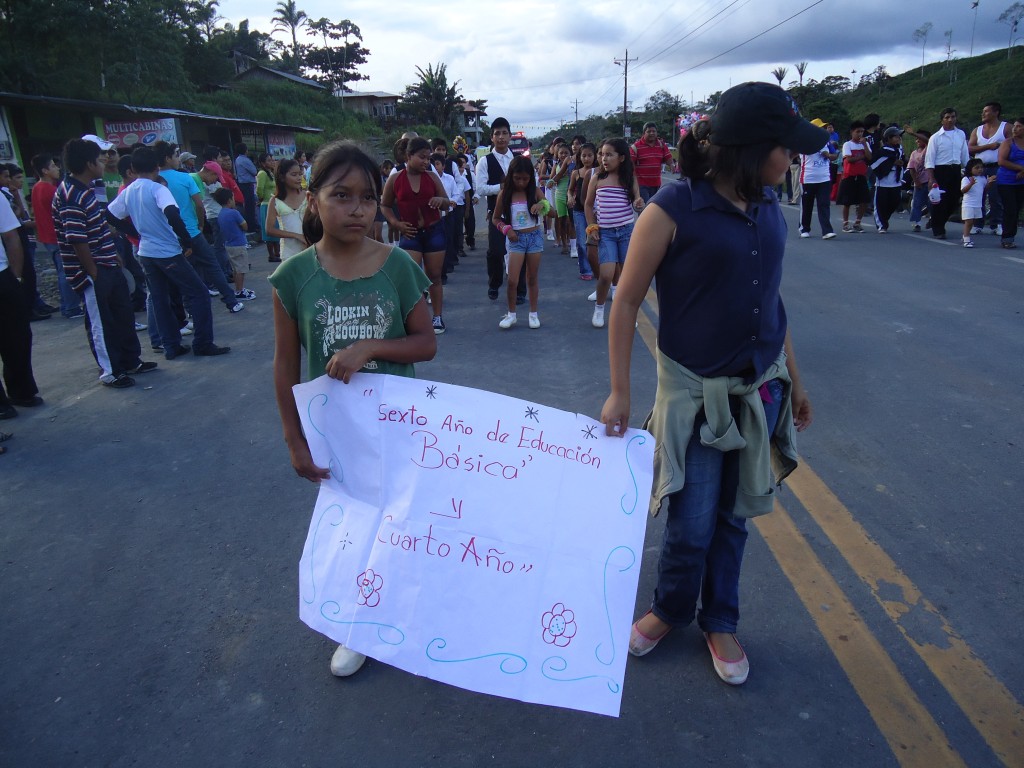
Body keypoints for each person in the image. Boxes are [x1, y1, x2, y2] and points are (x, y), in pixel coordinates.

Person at [600, 81, 816, 687]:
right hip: (694, 396)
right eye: (785, 148)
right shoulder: (672, 208)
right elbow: (626, 305)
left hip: (759, 390)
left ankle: (720, 618)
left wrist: (795, 380)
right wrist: (621, 391)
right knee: (691, 522)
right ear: (751, 148)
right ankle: (671, 607)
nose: (793, 159)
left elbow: (771, 300)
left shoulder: (770, 203)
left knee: (734, 518)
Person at [269, 142, 436, 678]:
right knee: (352, 528)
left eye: (367, 197)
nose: (357, 209)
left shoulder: (399, 267)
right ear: (312, 201)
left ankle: (397, 609)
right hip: (336, 435)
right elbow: (284, 365)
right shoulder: (293, 278)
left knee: (400, 521)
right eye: (341, 196)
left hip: (397, 429)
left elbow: (425, 343)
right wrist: (295, 440)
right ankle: (358, 626)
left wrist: (370, 348)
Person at [106, 145, 229, 360]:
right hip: (167, 250)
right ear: (156, 166)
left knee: (160, 298)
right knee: (199, 293)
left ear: (133, 168)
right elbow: (172, 212)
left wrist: (134, 232)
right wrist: (186, 240)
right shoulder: (158, 189)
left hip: (146, 251)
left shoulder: (130, 190)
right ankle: (202, 342)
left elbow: (110, 215)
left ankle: (170, 346)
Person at [52, 139, 156, 388]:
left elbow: (96, 228)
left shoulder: (86, 189)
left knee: (122, 315)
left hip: (108, 263)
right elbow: (77, 240)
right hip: (92, 271)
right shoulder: (70, 193)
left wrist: (113, 255)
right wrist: (93, 271)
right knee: (101, 322)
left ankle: (131, 360)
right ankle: (111, 371)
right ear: (88, 163)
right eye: (99, 159)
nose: (104, 163)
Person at [155, 142, 243, 313]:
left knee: (181, 274)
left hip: (169, 235)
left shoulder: (155, 181)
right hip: (192, 231)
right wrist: (201, 224)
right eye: (175, 156)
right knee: (212, 265)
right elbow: (199, 205)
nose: (177, 159)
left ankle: (187, 311)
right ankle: (231, 301)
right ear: (167, 158)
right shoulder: (184, 178)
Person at [381, 138, 453, 334]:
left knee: (434, 277)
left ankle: (437, 317)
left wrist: (441, 200)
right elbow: (385, 205)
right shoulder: (395, 179)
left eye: (428, 158)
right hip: (410, 233)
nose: (425, 162)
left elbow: (448, 202)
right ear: (408, 156)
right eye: (421, 157)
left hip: (434, 231)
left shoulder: (432, 176)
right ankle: (415, 320)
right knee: (412, 279)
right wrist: (395, 223)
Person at [585, 138, 643, 329]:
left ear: (622, 158)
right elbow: (587, 204)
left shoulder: (629, 178)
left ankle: (627, 313)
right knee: (606, 275)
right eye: (602, 154)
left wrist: (638, 203)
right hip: (606, 234)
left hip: (626, 232)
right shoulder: (597, 178)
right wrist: (591, 227)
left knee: (627, 276)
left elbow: (637, 200)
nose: (604, 159)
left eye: (609, 155)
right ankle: (599, 308)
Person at [491, 155, 549, 330]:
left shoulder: (534, 191)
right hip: (515, 239)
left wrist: (542, 204)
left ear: (530, 177)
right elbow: (495, 218)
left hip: (534, 238)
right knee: (512, 280)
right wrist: (506, 229)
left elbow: (551, 212)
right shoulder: (505, 194)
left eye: (525, 178)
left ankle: (533, 314)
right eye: (517, 178)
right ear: (511, 176)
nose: (521, 182)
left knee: (532, 278)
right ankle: (511, 314)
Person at [476, 118, 526, 304]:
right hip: (496, 214)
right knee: (496, 251)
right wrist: (503, 187)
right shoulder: (485, 161)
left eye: (504, 133)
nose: (501, 137)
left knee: (519, 251)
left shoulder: (518, 159)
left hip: (519, 212)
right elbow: (481, 189)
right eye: (497, 133)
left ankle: (520, 290)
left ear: (510, 136)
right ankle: (494, 283)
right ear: (491, 137)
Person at [0, 192, 41, 418]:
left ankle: (21, 390)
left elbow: (11, 237)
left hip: (3, 276)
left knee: (18, 336)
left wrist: (15, 277)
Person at [32, 154, 84, 318]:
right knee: (66, 272)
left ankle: (68, 305)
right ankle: (71, 307)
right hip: (56, 237)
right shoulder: (51, 190)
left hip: (48, 237)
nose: (57, 168)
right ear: (45, 170)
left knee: (63, 271)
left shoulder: (36, 188)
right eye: (53, 166)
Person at [924, 108, 970, 240]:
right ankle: (938, 228)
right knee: (939, 201)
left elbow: (964, 155)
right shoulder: (935, 138)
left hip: (955, 170)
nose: (951, 120)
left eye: (953, 117)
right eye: (947, 117)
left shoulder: (960, 134)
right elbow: (930, 159)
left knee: (953, 200)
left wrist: (968, 171)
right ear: (942, 120)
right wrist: (931, 178)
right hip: (940, 170)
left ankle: (938, 221)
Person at [968, 102, 1010, 236]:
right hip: (980, 168)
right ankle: (977, 224)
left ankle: (996, 224)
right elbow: (970, 148)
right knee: (978, 195)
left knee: (995, 196)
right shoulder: (978, 130)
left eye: (986, 111)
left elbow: (1014, 145)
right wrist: (988, 146)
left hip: (997, 167)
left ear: (996, 112)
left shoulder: (1006, 127)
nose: (983, 114)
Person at [797, 124, 837, 240]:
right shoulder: (804, 142)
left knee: (824, 204)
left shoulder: (827, 142)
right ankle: (804, 228)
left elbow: (834, 155)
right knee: (807, 205)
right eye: (821, 128)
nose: (823, 130)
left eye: (824, 128)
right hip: (808, 178)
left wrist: (828, 155)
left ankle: (827, 231)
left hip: (824, 178)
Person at [265, 158, 309, 263]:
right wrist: (296, 236)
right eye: (294, 175)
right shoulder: (275, 201)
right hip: (289, 253)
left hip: (311, 249)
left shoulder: (308, 196)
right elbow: (269, 230)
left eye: (300, 174)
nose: (299, 178)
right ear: (281, 177)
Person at [213, 188, 254, 299]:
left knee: (235, 269)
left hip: (229, 244)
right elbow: (244, 225)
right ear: (229, 200)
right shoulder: (234, 213)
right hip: (238, 244)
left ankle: (238, 288)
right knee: (241, 269)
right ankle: (239, 291)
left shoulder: (220, 214)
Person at [568, 142, 597, 279]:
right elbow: (570, 189)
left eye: (589, 155)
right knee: (581, 241)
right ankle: (585, 270)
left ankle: (596, 267)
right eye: (583, 156)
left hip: (595, 212)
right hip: (579, 211)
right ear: (579, 157)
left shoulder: (599, 172)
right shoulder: (576, 173)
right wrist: (570, 197)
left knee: (595, 240)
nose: (586, 159)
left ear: (595, 156)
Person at [837, 121, 872, 232]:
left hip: (861, 175)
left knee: (864, 200)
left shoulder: (865, 144)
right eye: (858, 131)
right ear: (852, 132)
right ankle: (845, 223)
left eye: (862, 131)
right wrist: (862, 156)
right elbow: (849, 159)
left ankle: (857, 222)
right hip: (849, 175)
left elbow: (870, 157)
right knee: (847, 201)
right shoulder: (848, 145)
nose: (860, 134)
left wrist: (865, 145)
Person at [996, 117, 1024, 249]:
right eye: (1015, 126)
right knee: (1010, 209)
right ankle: (1007, 237)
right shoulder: (1008, 143)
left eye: (1019, 126)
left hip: (1021, 182)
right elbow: (1002, 161)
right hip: (1007, 181)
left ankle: (1011, 236)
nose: (1015, 129)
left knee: (1017, 209)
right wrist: (1020, 168)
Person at [871, 126, 905, 234]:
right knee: (880, 204)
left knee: (894, 202)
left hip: (896, 182)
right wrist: (892, 162)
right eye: (895, 136)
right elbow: (876, 164)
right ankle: (881, 225)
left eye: (899, 136)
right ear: (889, 139)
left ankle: (884, 218)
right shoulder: (882, 151)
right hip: (883, 183)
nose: (898, 138)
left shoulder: (899, 150)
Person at [631, 122, 674, 203]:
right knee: (645, 208)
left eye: (654, 131)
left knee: (654, 206)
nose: (652, 133)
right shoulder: (636, 147)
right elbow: (630, 163)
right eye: (649, 131)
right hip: (641, 185)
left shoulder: (661, 145)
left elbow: (668, 157)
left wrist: (671, 164)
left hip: (656, 184)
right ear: (644, 133)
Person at [960, 158, 995, 249]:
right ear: (970, 169)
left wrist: (990, 182)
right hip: (968, 204)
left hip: (977, 204)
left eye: (981, 167)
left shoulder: (982, 178)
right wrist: (971, 184)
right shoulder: (966, 178)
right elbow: (963, 190)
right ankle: (967, 240)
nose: (980, 169)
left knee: (972, 222)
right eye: (977, 168)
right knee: (969, 221)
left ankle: (965, 236)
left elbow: (985, 188)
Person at [906, 129, 932, 232]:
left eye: (919, 138)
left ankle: (932, 219)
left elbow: (928, 141)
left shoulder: (929, 149)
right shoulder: (914, 153)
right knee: (917, 203)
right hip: (919, 182)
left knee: (932, 202)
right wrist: (916, 181)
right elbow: (911, 168)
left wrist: (913, 133)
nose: (917, 140)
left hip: (930, 180)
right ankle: (917, 223)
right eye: (916, 139)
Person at [256, 153, 280, 262]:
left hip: (274, 203)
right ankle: (271, 255)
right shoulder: (262, 174)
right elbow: (259, 189)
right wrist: (261, 199)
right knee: (269, 231)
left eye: (272, 160)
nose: (272, 162)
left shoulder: (271, 173)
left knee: (277, 228)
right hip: (266, 204)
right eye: (269, 160)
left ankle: (277, 253)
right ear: (262, 163)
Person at [233, 143, 259, 231]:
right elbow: (254, 171)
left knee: (248, 206)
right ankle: (252, 226)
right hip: (247, 184)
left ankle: (250, 225)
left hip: (242, 184)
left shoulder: (237, 159)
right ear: (245, 150)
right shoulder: (245, 160)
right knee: (250, 206)